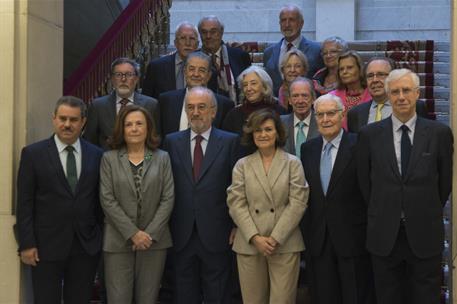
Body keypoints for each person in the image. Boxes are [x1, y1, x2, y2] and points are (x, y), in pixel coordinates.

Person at [357, 69, 453, 304]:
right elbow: (365, 183)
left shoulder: (439, 133)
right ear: (388, 96)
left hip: (424, 232)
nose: (401, 96)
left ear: (417, 93)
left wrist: (418, 206)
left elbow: (444, 184)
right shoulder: (369, 135)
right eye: (395, 91)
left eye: (406, 90)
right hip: (384, 234)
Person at [16, 96, 103, 304]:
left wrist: (98, 239)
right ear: (54, 119)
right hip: (45, 247)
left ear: (83, 122)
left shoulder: (97, 154)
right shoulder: (33, 154)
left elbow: (100, 202)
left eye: (73, 120)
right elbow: (25, 203)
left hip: (85, 246)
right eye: (62, 118)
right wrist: (26, 244)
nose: (67, 124)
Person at [162, 86, 240, 304]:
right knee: (184, 295)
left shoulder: (230, 141)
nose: (195, 112)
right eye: (191, 107)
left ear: (213, 111)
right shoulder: (171, 142)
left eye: (201, 107)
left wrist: (236, 224)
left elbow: (237, 187)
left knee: (218, 295)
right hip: (181, 234)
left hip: (218, 233)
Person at [227, 109, 308, 304]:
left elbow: (298, 202)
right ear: (251, 134)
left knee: (282, 300)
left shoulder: (293, 164)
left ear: (278, 133)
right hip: (250, 243)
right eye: (258, 130)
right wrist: (255, 238)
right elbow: (236, 203)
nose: (263, 134)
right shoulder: (242, 165)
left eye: (268, 129)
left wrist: (275, 238)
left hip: (284, 242)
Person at [301, 94, 374, 304]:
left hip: (352, 238)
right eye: (320, 114)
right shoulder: (308, 149)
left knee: (355, 296)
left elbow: (368, 189)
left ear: (342, 115)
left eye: (331, 113)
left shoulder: (360, 143)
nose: (325, 119)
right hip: (319, 239)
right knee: (324, 296)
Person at [99, 105, 174, 304]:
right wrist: (133, 233)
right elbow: (107, 199)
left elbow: (168, 198)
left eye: (139, 124)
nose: (134, 128)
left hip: (153, 241)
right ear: (121, 129)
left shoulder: (161, 158)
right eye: (128, 124)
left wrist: (148, 234)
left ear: (148, 128)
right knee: (118, 299)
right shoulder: (110, 159)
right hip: (118, 240)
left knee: (148, 299)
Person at [84, 57, 159, 150]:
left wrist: (147, 161)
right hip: (107, 162)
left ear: (136, 79)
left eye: (129, 75)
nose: (123, 79)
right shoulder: (97, 106)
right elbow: (90, 143)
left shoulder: (151, 105)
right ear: (112, 79)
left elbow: (156, 141)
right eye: (118, 75)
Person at [159, 51, 234, 138]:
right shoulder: (166, 100)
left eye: (202, 70)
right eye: (191, 69)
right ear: (185, 72)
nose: (196, 74)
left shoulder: (224, 105)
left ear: (209, 75)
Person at [347, 57, 428, 133]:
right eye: (370, 76)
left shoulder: (415, 106)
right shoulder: (355, 113)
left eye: (381, 74)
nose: (375, 80)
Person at [263, 4, 323, 96]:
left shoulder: (316, 50)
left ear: (301, 23)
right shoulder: (269, 52)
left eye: (291, 20)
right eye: (283, 20)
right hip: (276, 106)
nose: (287, 24)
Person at [198, 15, 251, 102]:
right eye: (204, 32)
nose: (208, 36)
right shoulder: (194, 59)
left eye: (213, 32)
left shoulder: (239, 56)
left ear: (221, 32)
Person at [222, 66, 286, 138]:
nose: (248, 88)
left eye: (253, 83)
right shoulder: (233, 115)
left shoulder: (279, 111)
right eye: (245, 85)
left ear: (264, 86)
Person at [142, 21, 199, 99]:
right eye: (182, 38)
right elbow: (146, 101)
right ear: (175, 43)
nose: (187, 43)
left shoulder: (207, 68)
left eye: (192, 38)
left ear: (197, 44)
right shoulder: (156, 67)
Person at [329, 50, 371, 129]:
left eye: (349, 68)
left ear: (360, 69)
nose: (344, 72)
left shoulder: (372, 94)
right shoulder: (332, 97)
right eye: (341, 69)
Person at [280, 77, 319, 158]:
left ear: (313, 99)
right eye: (295, 96)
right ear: (289, 100)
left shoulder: (322, 122)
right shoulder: (280, 123)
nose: (300, 101)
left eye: (305, 95)